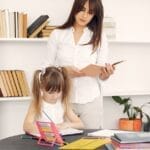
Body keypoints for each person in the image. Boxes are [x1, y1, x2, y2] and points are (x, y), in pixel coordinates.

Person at [45, 0, 115, 129]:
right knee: (65, 143)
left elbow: (101, 72)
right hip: (64, 100)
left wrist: (106, 75)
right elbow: (45, 69)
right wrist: (63, 71)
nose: (84, 15)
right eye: (82, 9)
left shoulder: (100, 37)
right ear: (75, 8)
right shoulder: (57, 34)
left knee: (91, 143)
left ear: (95, 15)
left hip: (91, 100)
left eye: (90, 12)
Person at [23, 66, 84, 134]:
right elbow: (26, 126)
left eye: (58, 92)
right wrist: (46, 129)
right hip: (44, 138)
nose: (55, 96)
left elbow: (80, 124)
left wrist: (66, 125)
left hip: (61, 138)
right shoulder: (37, 103)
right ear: (41, 88)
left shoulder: (63, 103)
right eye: (50, 93)